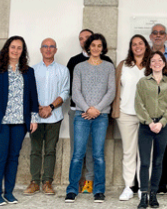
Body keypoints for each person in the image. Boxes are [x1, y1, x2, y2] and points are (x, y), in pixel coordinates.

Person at [0, 36, 39, 205]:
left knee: (13, 157)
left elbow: (33, 98)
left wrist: (34, 118)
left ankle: (9, 192)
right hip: (1, 121)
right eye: (13, 47)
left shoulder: (28, 72)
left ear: (23, 51)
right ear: (7, 49)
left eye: (19, 48)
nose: (15, 50)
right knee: (0, 156)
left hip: (20, 122)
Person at [65, 33, 116, 204]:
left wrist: (97, 109)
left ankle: (99, 190)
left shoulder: (109, 67)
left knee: (98, 154)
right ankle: (72, 189)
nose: (96, 48)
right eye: (93, 45)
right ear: (88, 47)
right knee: (78, 154)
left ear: (103, 48)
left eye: (99, 46)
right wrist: (87, 109)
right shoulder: (79, 67)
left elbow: (111, 91)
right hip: (81, 115)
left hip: (101, 116)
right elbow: (75, 91)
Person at [24, 38, 70, 196]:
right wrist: (38, 109)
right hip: (36, 117)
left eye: (51, 47)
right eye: (45, 46)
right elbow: (28, 92)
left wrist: (50, 107)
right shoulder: (32, 70)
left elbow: (65, 92)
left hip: (54, 116)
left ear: (55, 50)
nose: (48, 49)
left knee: (50, 150)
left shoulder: (63, 70)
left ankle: (47, 182)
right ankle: (34, 182)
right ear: (40, 49)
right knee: (35, 150)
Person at [135, 51, 167, 209]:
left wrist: (162, 122)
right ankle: (143, 195)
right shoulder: (142, 83)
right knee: (145, 162)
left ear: (164, 63)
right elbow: (139, 104)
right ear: (150, 64)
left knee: (158, 161)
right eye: (153, 61)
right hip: (146, 127)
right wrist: (148, 122)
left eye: (160, 60)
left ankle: (153, 194)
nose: (157, 63)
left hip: (163, 126)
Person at [111, 34, 151, 201]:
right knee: (128, 152)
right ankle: (128, 187)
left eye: (140, 43)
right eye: (134, 44)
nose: (137, 46)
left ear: (146, 46)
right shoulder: (123, 66)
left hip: (147, 115)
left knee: (145, 153)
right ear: (131, 47)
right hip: (126, 114)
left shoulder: (152, 65)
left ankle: (144, 188)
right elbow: (115, 88)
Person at [149, 23, 167, 195]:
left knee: (163, 148)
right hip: (147, 108)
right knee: (143, 148)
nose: (158, 35)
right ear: (151, 36)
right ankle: (140, 183)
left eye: (161, 33)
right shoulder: (144, 55)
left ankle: (161, 185)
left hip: (166, 109)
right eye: (155, 33)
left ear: (166, 37)